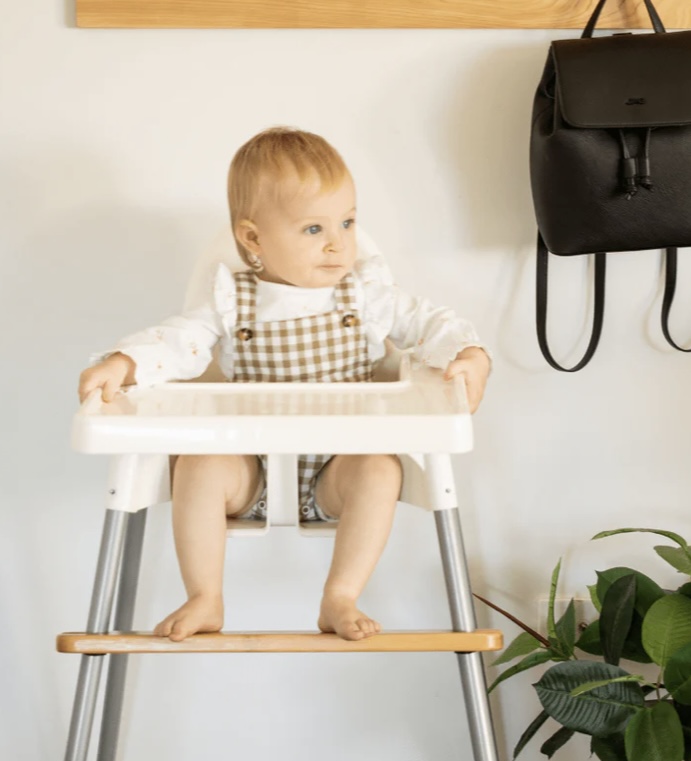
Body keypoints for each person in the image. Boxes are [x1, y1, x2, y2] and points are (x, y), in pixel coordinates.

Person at [78, 127, 491, 642]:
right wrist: (125, 363)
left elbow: (428, 323)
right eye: (313, 229)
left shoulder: (367, 294)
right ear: (253, 239)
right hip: (247, 469)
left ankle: (339, 595)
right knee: (197, 463)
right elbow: (177, 340)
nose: (339, 242)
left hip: (337, 469)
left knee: (381, 470)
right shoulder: (232, 300)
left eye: (347, 221)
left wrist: (468, 353)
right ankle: (205, 594)